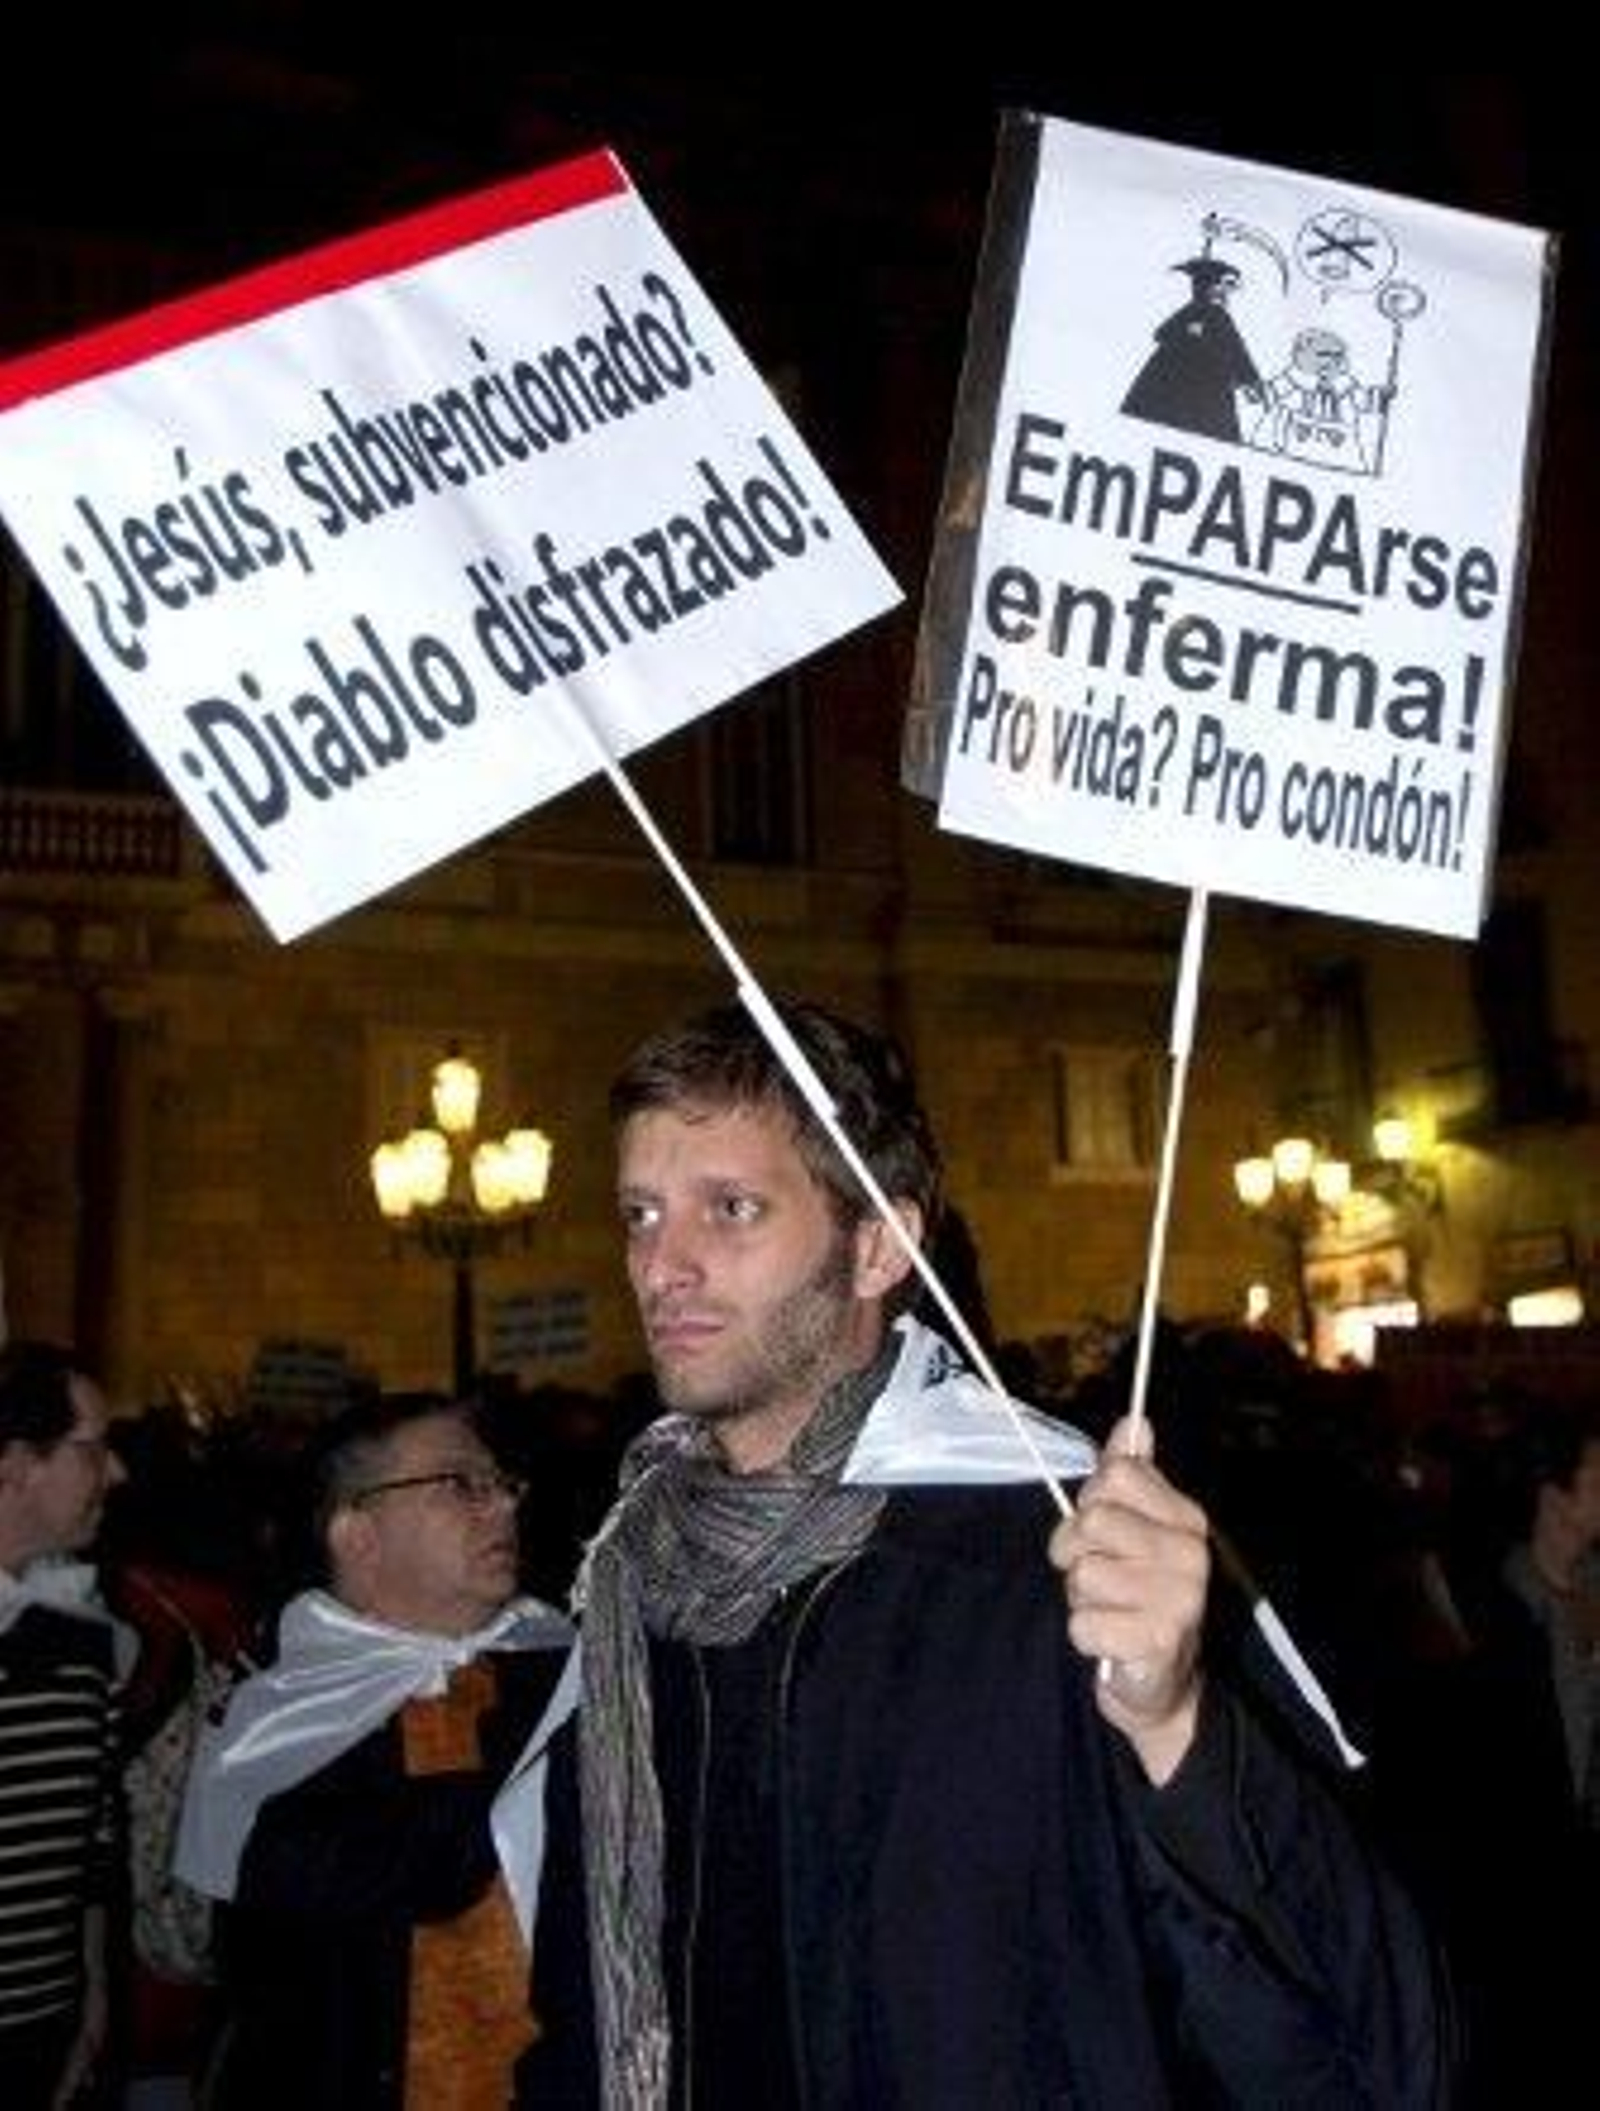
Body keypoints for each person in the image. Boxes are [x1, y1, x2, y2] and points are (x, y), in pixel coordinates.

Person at [518, 995, 1456, 2106]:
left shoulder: (1059, 1543)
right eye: (638, 1211)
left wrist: (1174, 1724)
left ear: (877, 1244)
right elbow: (584, 1995)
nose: (661, 1264)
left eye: (728, 1207)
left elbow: (1378, 2045)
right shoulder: (634, 1573)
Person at [176, 1389, 577, 2110]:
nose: (504, 1507)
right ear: (356, 1530)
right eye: (462, 1484)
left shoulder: (565, 1669)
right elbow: (361, 1889)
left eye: (502, 1484)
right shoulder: (275, 1708)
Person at [0, 1339, 129, 2109]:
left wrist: (92, 1995)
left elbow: (93, 1841)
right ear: (15, 1462)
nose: (116, 1471)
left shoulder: (80, 1630)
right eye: (94, 1447)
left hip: (39, 2030)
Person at [1121, 254, 1266, 442]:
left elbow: (1236, 351)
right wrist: (1188, 333)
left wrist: (1250, 381)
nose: (1228, 292)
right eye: (1225, 285)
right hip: (1176, 381)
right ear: (1210, 286)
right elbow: (1161, 333)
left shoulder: (1219, 316)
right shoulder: (1195, 312)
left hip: (1209, 387)